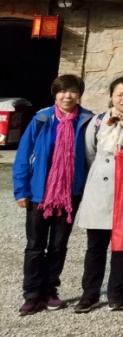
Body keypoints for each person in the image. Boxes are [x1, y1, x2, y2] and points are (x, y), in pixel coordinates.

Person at [13, 74, 95, 315]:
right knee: (35, 246)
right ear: (55, 94)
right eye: (62, 91)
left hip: (69, 194)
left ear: (79, 94)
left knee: (58, 245)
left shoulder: (87, 121)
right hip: (40, 193)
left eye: (73, 91)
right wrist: (21, 189)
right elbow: (23, 155)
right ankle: (31, 294)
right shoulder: (42, 119)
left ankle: (50, 292)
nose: (67, 96)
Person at [73, 76, 123, 313]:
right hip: (100, 190)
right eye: (119, 94)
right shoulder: (98, 121)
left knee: (122, 247)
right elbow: (89, 153)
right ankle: (90, 294)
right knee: (95, 246)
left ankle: (117, 294)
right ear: (111, 96)